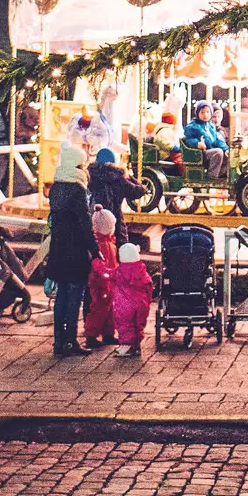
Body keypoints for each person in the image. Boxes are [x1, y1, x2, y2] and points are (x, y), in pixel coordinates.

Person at [43, 145, 99, 356]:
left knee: (62, 296)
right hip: (75, 250)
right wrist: (94, 249)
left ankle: (59, 341)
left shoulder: (56, 188)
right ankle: (70, 340)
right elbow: (84, 223)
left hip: (58, 248)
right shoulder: (77, 190)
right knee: (74, 296)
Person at [110, 241, 154, 358]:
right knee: (138, 324)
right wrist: (148, 300)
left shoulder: (118, 272)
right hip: (141, 303)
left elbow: (107, 275)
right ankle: (136, 344)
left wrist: (97, 265)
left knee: (125, 325)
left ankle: (127, 345)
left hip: (124, 305)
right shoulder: (142, 271)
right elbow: (149, 286)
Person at [83, 208, 118, 349]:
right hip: (103, 284)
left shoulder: (102, 243)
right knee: (99, 310)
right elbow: (107, 266)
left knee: (107, 309)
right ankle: (91, 335)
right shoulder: (106, 245)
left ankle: (107, 334)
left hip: (105, 283)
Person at [87, 147, 135, 240]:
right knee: (119, 244)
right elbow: (139, 191)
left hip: (95, 222)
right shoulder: (119, 178)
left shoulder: (90, 176)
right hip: (116, 224)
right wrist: (130, 177)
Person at [183, 104, 229, 182]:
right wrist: (197, 143)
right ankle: (211, 177)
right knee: (218, 152)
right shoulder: (193, 126)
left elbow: (218, 140)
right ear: (198, 113)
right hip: (198, 154)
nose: (205, 115)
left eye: (207, 112)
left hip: (209, 151)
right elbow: (189, 139)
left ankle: (220, 175)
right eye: (202, 112)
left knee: (228, 155)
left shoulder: (211, 126)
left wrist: (226, 149)